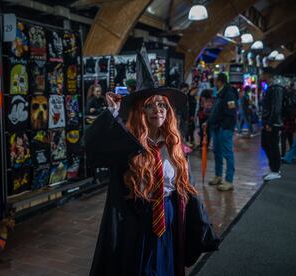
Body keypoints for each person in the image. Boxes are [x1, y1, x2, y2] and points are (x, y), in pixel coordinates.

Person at [86, 51, 218, 276]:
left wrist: (202, 227)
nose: (158, 110)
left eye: (162, 105)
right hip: (137, 221)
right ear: (141, 111)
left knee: (165, 267)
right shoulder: (128, 146)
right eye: (150, 105)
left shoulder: (174, 147)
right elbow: (92, 147)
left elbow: (187, 190)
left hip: (168, 217)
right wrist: (112, 113)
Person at [207, 73, 237, 191]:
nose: (214, 82)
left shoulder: (228, 94)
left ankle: (229, 181)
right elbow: (216, 110)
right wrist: (209, 122)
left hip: (224, 129)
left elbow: (231, 113)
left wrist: (223, 127)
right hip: (216, 127)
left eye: (215, 80)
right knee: (217, 153)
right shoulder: (219, 93)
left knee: (228, 154)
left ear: (220, 81)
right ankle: (218, 176)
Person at [260, 68, 284, 181]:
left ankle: (275, 170)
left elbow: (276, 107)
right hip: (268, 122)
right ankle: (273, 168)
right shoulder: (271, 87)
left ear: (267, 75)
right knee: (265, 144)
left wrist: (270, 122)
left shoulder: (276, 88)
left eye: (262, 73)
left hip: (273, 123)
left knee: (273, 145)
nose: (260, 75)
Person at [281, 84, 296, 157]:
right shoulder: (294, 100)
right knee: (290, 137)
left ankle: (283, 154)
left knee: (283, 138)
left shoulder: (284, 102)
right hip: (291, 120)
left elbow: (282, 111)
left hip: (286, 121)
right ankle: (291, 153)